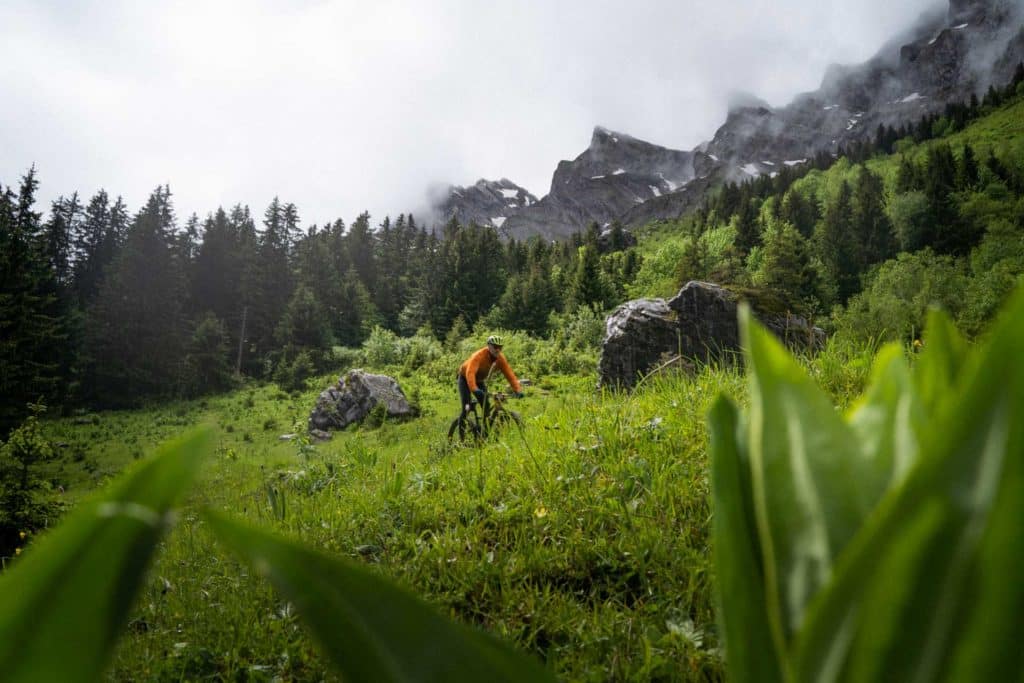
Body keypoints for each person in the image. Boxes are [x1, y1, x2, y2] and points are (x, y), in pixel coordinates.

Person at [457, 335, 523, 415]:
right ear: (489, 346)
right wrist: (475, 389)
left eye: (500, 347)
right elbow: (470, 373)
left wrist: (518, 390)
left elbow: (510, 375)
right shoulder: (478, 356)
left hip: (479, 380)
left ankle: (485, 425)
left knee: (486, 404)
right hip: (464, 378)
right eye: (495, 347)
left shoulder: (500, 358)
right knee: (466, 407)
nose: (498, 350)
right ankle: (462, 426)